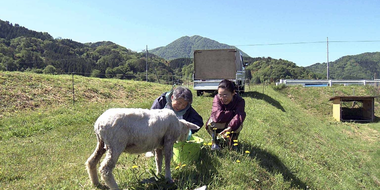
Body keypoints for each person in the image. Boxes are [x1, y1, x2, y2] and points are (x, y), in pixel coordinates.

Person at [146, 86, 204, 157]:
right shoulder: (162, 101)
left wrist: (189, 131)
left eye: (184, 105)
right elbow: (150, 118)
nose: (180, 106)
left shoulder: (187, 109)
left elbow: (199, 121)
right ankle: (151, 149)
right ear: (172, 97)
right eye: (179, 103)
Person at [206, 79, 246, 150]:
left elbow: (239, 116)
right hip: (220, 122)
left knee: (239, 123)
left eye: (225, 95)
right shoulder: (217, 98)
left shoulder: (240, 101)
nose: (222, 98)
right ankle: (215, 142)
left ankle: (232, 142)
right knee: (210, 123)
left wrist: (230, 127)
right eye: (220, 95)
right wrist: (233, 112)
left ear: (233, 92)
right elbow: (217, 116)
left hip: (230, 124)